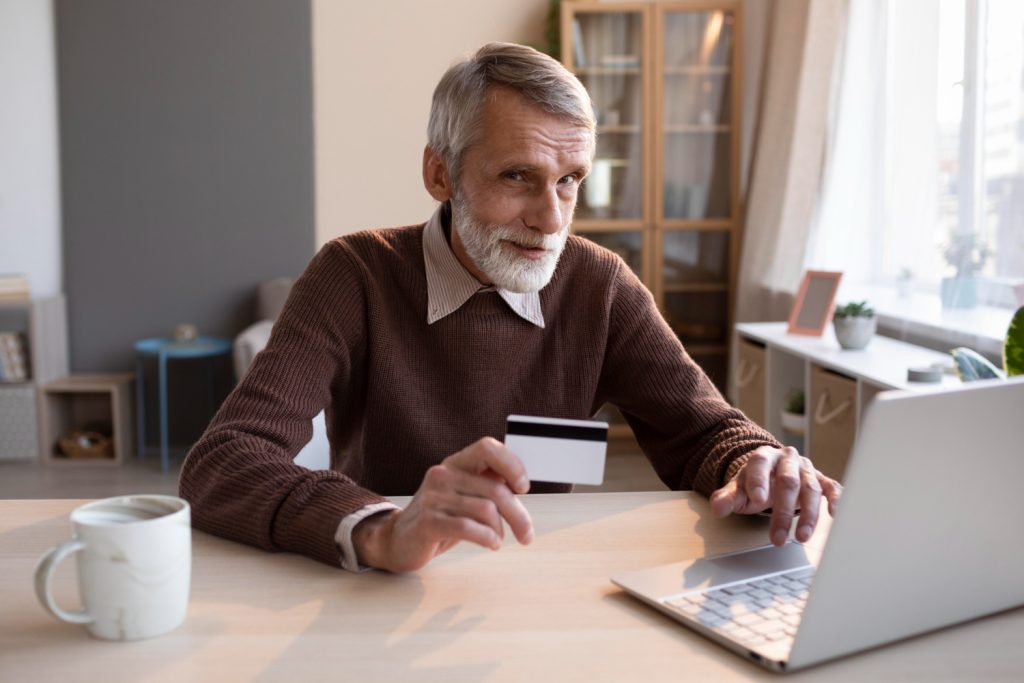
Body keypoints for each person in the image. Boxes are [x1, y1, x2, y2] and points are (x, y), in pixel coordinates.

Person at [179, 43, 841, 574]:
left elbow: (706, 433)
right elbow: (223, 460)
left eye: (569, 181)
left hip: (538, 582)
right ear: (440, 175)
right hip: (383, 588)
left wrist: (758, 460)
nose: (550, 219)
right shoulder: (354, 274)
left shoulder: (598, 285)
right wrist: (380, 528)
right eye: (517, 177)